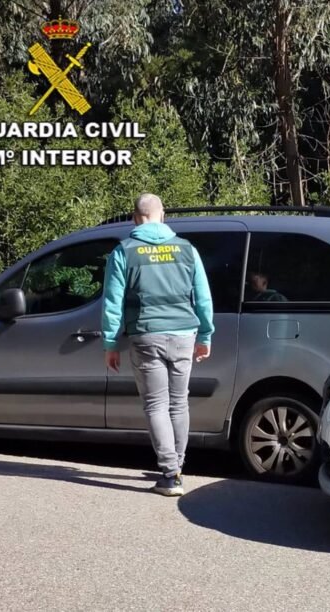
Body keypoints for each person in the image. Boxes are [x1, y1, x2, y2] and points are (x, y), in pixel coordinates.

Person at [101, 193, 214, 496]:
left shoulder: (124, 252)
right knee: (179, 402)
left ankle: (169, 473)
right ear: (162, 216)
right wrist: (205, 336)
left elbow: (113, 303)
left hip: (146, 335)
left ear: (135, 217)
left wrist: (111, 343)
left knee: (156, 405)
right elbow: (203, 297)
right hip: (183, 334)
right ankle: (177, 466)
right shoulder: (187, 250)